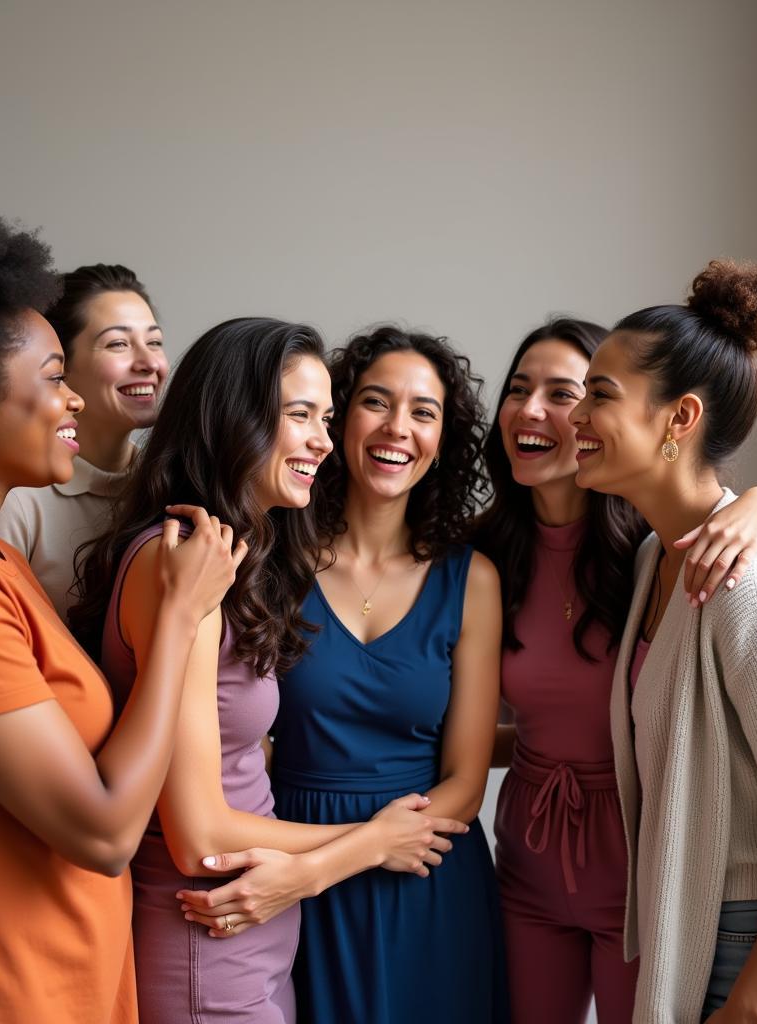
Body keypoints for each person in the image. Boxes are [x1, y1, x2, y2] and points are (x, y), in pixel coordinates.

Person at [0, 207, 244, 1023]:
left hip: (66, 978)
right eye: (55, 375)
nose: (71, 399)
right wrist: (177, 620)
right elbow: (100, 832)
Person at [72, 317, 466, 1024]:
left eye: (325, 417)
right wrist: (371, 842)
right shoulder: (180, 562)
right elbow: (201, 834)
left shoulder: (232, 557)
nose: (322, 440)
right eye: (299, 416)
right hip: (206, 939)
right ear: (236, 419)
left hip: (248, 947)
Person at [473, 318, 757, 1024]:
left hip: (645, 858)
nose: (544, 411)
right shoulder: (485, 559)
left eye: (577, 394)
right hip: (530, 852)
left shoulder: (655, 548)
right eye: (519, 389)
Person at [569, 260, 757, 1022]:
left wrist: (750, 1007)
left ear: (680, 418)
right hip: (704, 940)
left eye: (599, 395)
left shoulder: (751, 593)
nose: (575, 415)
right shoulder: (652, 560)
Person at [187, 326, 509, 1023]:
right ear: (340, 417)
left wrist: (317, 870)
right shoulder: (268, 561)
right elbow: (242, 745)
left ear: (443, 439)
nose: (399, 427)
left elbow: (464, 782)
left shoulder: (472, 580)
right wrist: (313, 870)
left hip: (425, 872)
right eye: (375, 402)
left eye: (424, 411)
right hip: (290, 859)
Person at [0, 263, 168, 618]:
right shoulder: (18, 499)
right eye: (118, 344)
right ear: (62, 367)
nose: (149, 362)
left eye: (154, 342)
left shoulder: (167, 485)